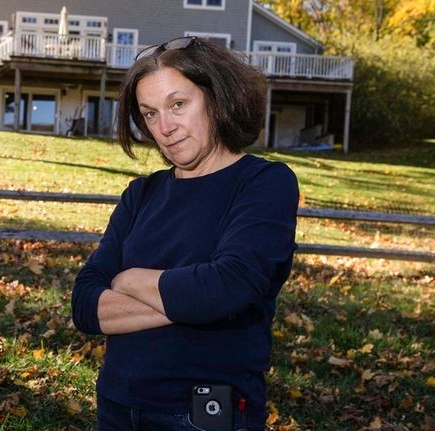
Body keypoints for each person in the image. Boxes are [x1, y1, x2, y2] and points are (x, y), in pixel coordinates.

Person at [71, 36, 299, 431]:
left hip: (207, 411)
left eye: (178, 105)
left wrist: (128, 280)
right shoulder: (142, 193)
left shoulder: (264, 183)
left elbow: (225, 288)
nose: (165, 127)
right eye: (150, 113)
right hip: (119, 404)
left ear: (215, 98)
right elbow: (85, 304)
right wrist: (193, 299)